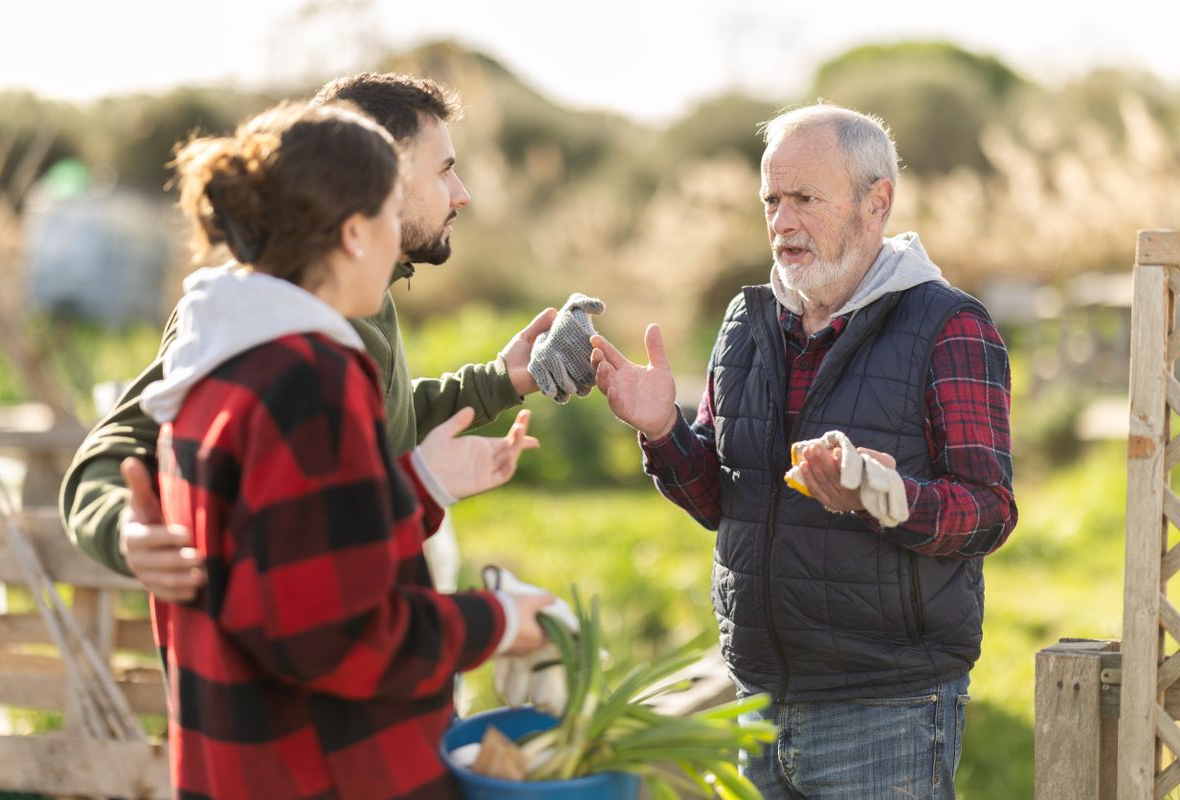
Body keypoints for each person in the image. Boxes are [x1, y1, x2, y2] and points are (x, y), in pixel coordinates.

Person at [590, 103, 1016, 799]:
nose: (782, 221)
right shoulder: (746, 321)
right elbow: (725, 500)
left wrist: (890, 498)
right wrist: (663, 428)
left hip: (886, 711)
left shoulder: (949, 325)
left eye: (805, 199)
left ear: (876, 202)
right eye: (771, 200)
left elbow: (991, 511)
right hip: (754, 701)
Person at [150, 99, 552, 799]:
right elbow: (336, 636)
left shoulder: (212, 363)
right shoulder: (313, 377)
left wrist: (417, 486)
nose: (401, 240)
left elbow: (278, 567)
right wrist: (498, 621)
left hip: (230, 766)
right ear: (356, 232)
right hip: (320, 770)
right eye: (393, 218)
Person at [60, 73, 561, 601]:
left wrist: (501, 381)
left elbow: (380, 431)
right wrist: (125, 531)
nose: (461, 196)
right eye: (445, 172)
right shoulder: (242, 315)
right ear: (376, 175)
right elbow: (113, 454)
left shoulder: (366, 296)